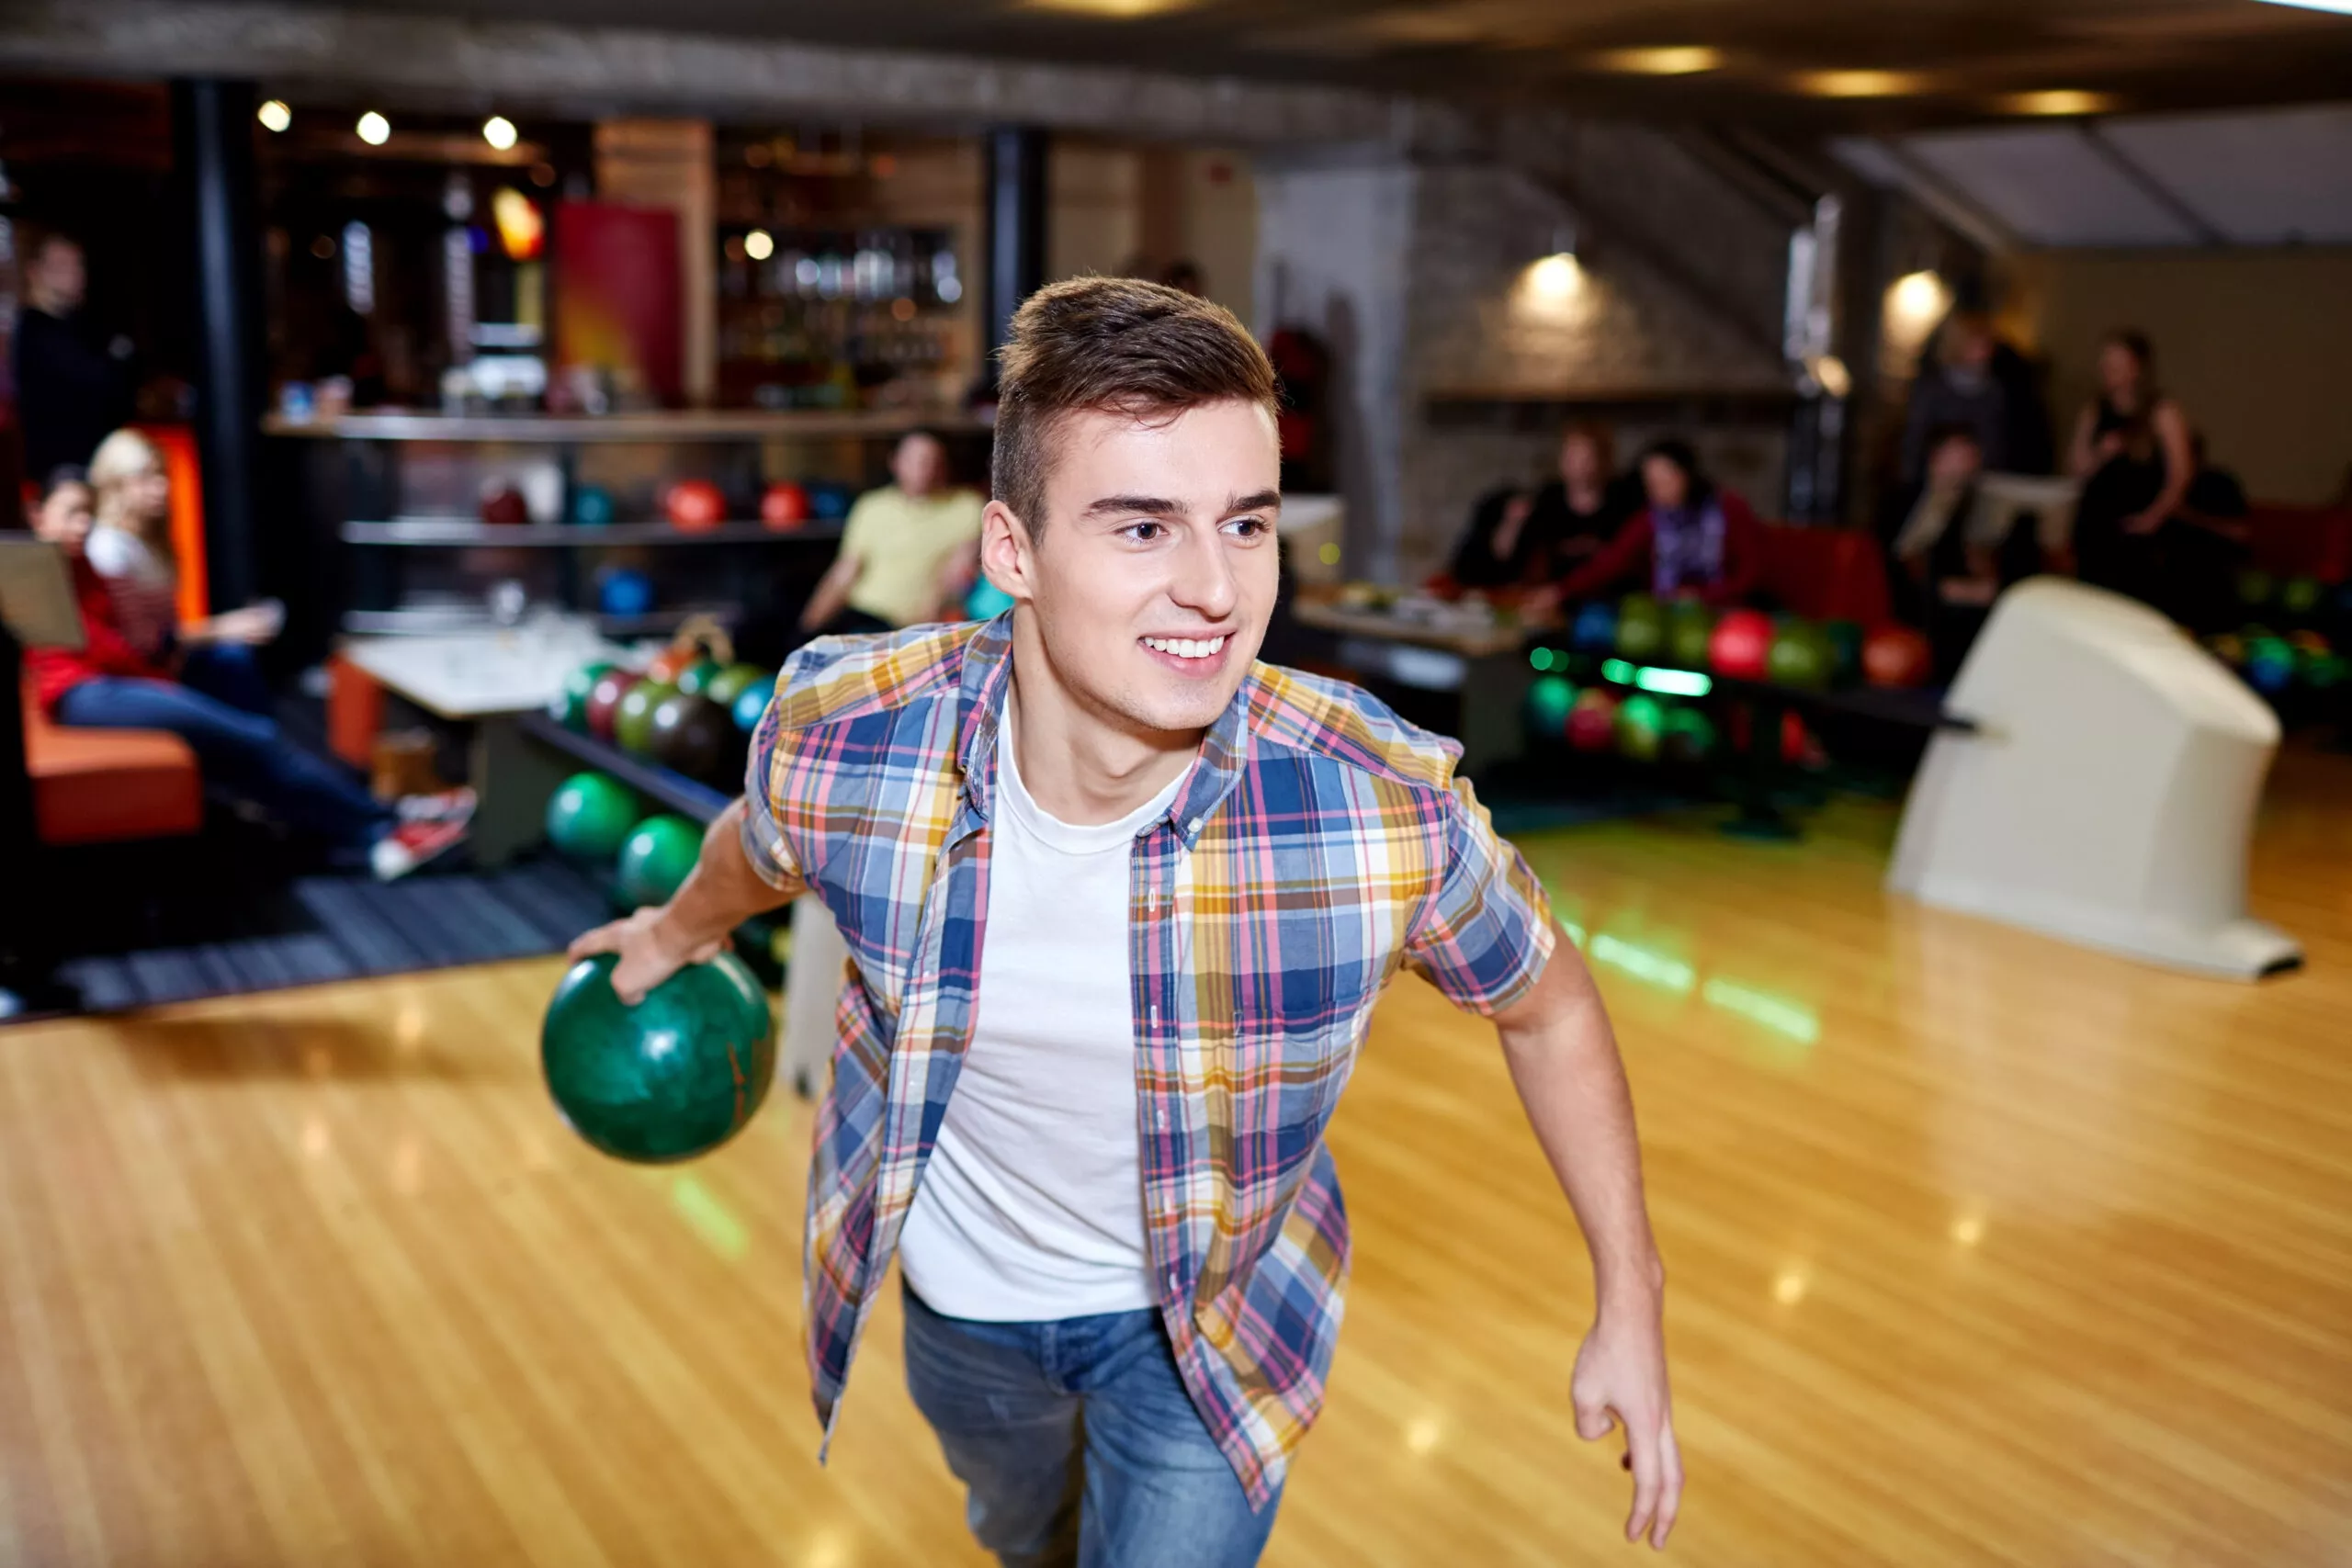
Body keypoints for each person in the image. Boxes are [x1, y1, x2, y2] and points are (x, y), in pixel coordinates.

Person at [571, 277, 1679, 1565]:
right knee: (1024, 1537)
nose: (1215, 588)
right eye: (1144, 527)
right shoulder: (854, 738)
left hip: (1211, 1335)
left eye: (1246, 523)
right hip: (963, 1316)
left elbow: (1546, 1001)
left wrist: (1631, 1293)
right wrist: (671, 931)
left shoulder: (1374, 808)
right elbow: (756, 848)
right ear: (1012, 553)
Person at [23, 469, 472, 880]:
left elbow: (127, 643)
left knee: (242, 732)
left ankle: (371, 823)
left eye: (87, 514)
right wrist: (164, 668)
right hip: (85, 693)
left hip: (114, 685)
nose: (81, 525)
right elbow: (100, 649)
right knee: (251, 736)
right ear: (38, 514)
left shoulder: (85, 567)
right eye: (70, 514)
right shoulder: (37, 568)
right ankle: (379, 824)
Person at [83, 428, 280, 666]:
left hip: (170, 663)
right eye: (146, 477)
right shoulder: (108, 548)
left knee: (234, 660)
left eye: (162, 475)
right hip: (138, 673)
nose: (162, 486)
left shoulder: (149, 542)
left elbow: (168, 631)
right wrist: (223, 628)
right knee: (233, 661)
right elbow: (145, 645)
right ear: (115, 484)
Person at [797, 430, 985, 637]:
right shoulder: (871, 506)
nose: (924, 468)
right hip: (866, 616)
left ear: (944, 466)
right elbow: (844, 573)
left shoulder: (967, 507)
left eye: (932, 460)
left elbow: (957, 574)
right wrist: (808, 628)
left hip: (920, 627)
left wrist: (925, 624)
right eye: (914, 460)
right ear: (895, 462)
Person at [1542, 437, 1762, 609]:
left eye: (1665, 481)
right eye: (1652, 484)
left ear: (1687, 475)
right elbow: (1612, 561)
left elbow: (1751, 573)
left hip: (1729, 613)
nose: (1659, 491)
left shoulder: (1729, 508)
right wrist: (1562, 590)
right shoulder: (1651, 518)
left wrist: (1701, 597)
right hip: (1667, 616)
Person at [2067, 329, 2194, 611]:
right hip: (2096, 526)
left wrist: (2153, 518)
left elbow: (2181, 474)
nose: (2107, 370)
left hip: (2139, 531)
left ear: (2137, 368)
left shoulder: (2162, 410)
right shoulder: (2094, 409)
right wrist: (2101, 452)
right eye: (2105, 362)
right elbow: (2077, 470)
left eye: (2116, 363)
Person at [1438, 422, 1638, 595]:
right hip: (1544, 598)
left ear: (1604, 460)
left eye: (1587, 457)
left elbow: (1619, 565)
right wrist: (1512, 524)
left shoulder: (1622, 504)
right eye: (1573, 456)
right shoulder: (1548, 501)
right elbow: (1503, 558)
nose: (1579, 465)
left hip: (1597, 599)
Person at [10, 233, 136, 482]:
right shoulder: (36, 330)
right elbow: (101, 379)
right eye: (61, 265)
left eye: (78, 265)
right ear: (35, 272)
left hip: (96, 465)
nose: (74, 273)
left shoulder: (83, 327)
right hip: (61, 473)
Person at [1897, 310, 2052, 485]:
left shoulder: (1995, 391)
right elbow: (1915, 439)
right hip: (1932, 482)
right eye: (1977, 344)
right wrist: (1912, 480)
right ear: (1959, 345)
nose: (1985, 351)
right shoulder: (1933, 389)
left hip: (1979, 483)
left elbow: (1998, 444)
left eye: (1987, 344)